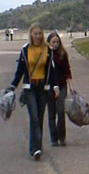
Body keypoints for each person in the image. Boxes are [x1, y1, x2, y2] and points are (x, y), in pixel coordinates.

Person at [5, 23, 59, 161]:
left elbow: (51, 71)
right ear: (31, 34)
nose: (37, 36)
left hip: (43, 88)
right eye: (35, 33)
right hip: (29, 88)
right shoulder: (25, 50)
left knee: (39, 118)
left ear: (42, 35)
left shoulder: (48, 50)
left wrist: (55, 86)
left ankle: (37, 146)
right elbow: (20, 71)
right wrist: (12, 86)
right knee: (34, 117)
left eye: (40, 33)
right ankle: (35, 148)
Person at [46, 32, 72, 147]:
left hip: (61, 85)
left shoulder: (62, 54)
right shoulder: (46, 54)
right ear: (49, 43)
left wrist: (70, 83)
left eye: (57, 42)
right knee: (51, 113)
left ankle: (62, 137)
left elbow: (67, 69)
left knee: (60, 111)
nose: (55, 44)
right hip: (49, 87)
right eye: (53, 42)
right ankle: (53, 138)